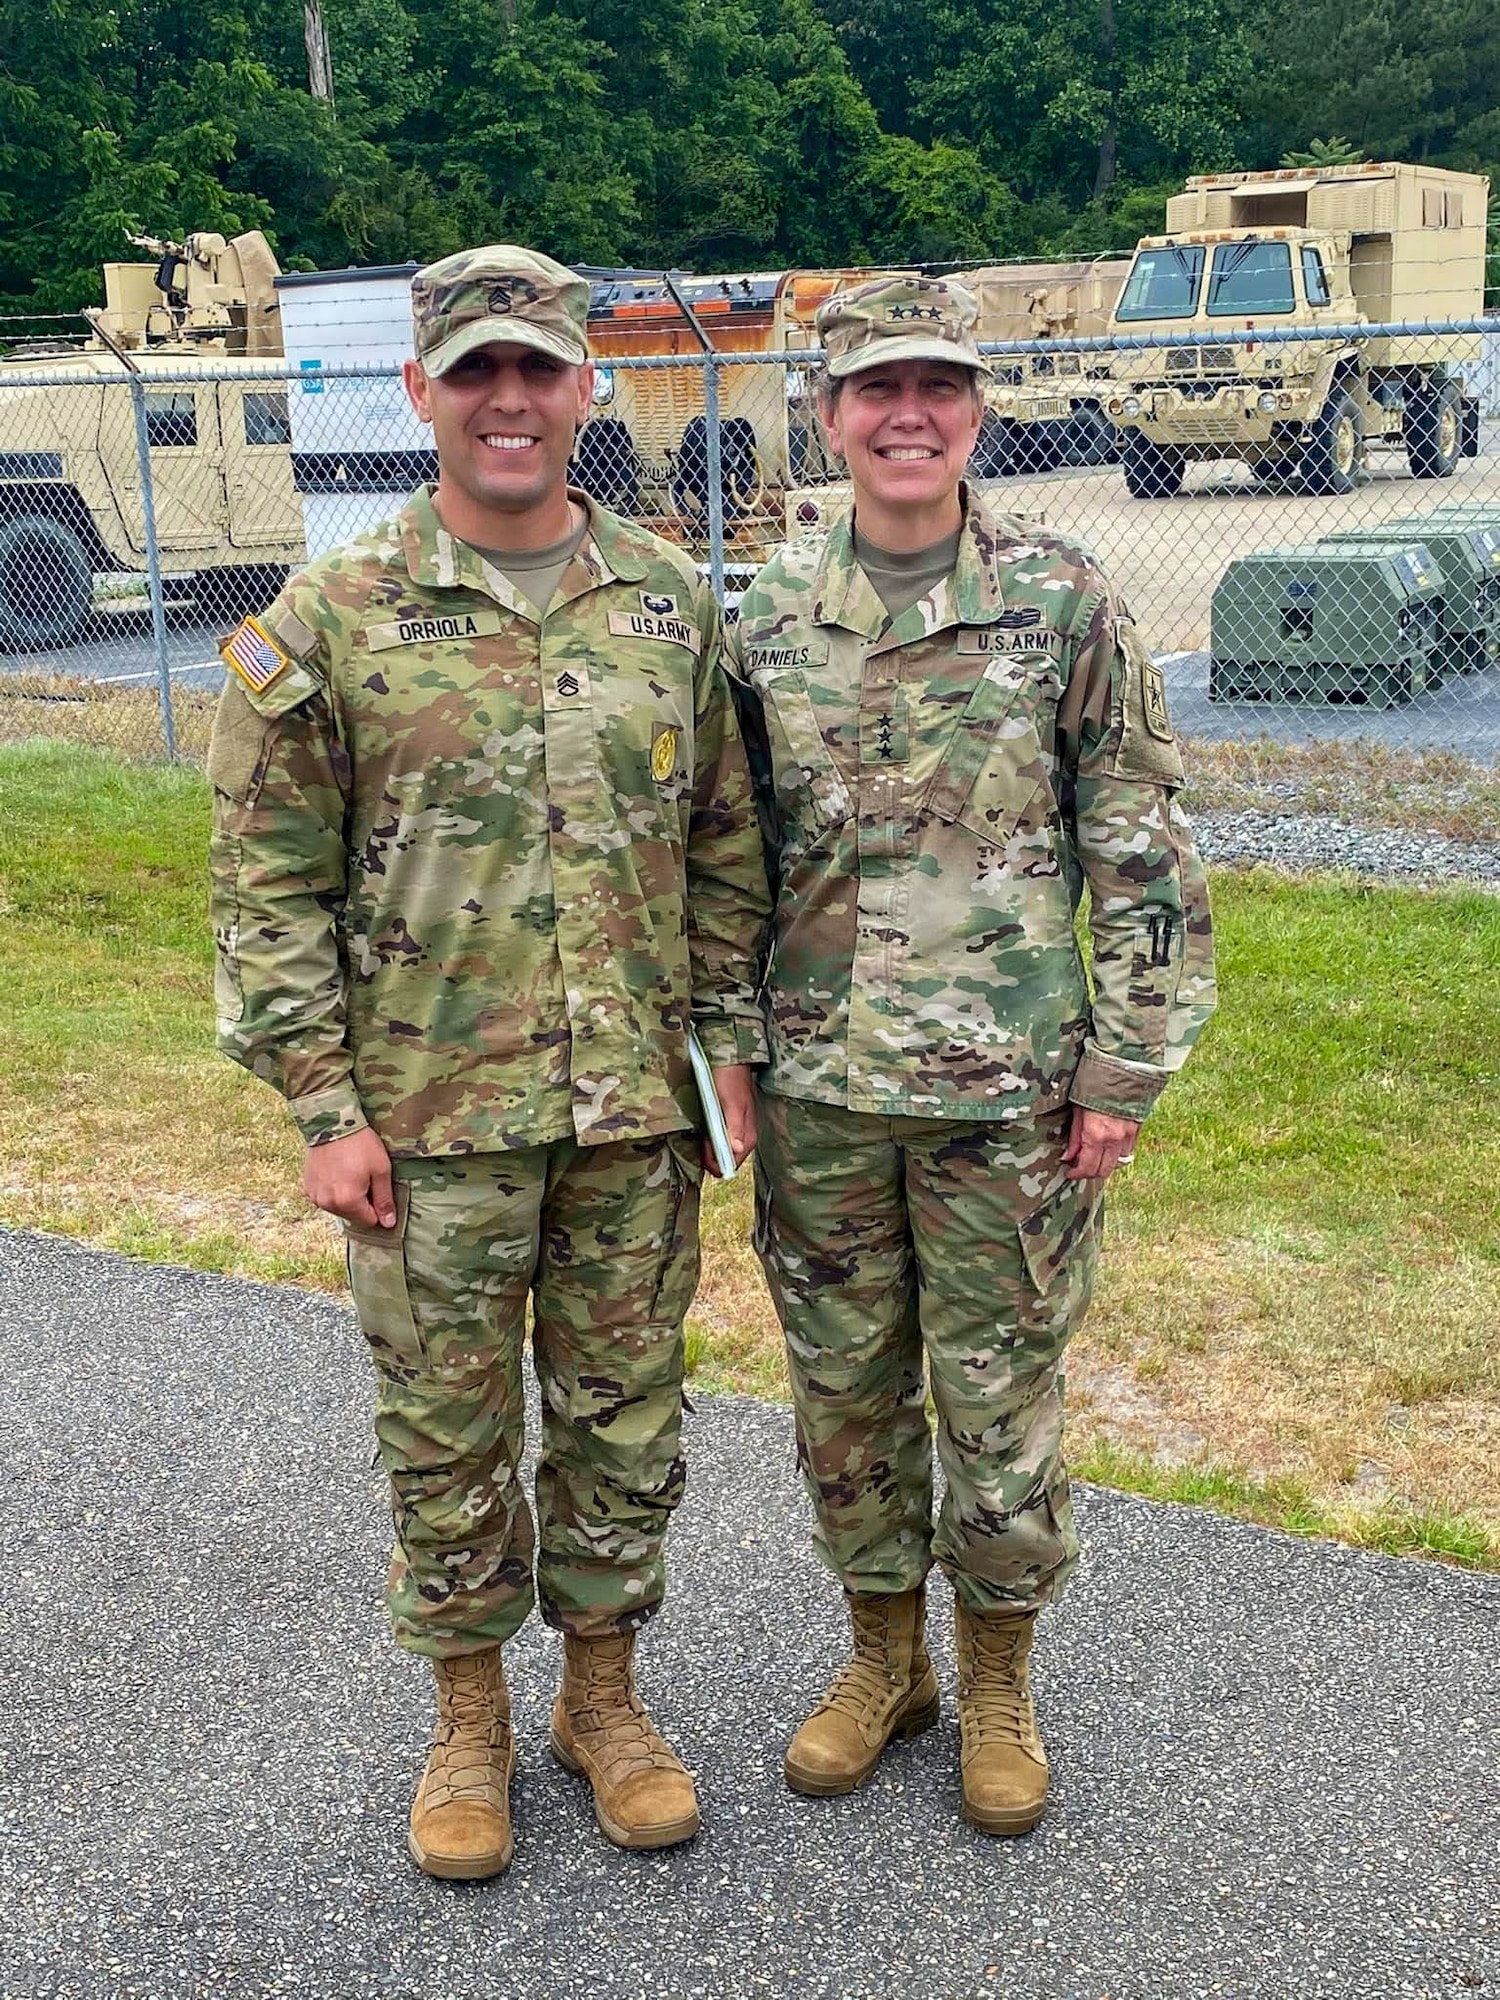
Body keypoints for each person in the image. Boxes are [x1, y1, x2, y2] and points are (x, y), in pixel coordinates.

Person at [208, 246, 770, 1878]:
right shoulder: (332, 617)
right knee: (446, 1437)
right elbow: (264, 885)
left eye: (540, 371)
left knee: (623, 1423)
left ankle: (603, 1700)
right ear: (421, 396)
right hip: (424, 1124)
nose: (511, 402)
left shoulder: (667, 601)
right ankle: (469, 1720)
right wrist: (320, 1105)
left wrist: (723, 1044)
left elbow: (729, 845)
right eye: (478, 375)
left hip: (628, 1118)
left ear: (587, 387)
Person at [726, 274, 1217, 1836]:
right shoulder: (761, 614)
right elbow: (721, 861)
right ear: (827, 417)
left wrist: (1125, 1070)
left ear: (980, 411)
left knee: (1000, 1403)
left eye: (938, 388)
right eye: (876, 391)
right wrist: (724, 1050)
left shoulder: (1063, 599)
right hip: (820, 1097)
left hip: (1008, 1100)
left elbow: (1140, 846)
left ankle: (999, 1673)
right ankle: (885, 1663)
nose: (909, 415)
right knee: (847, 1401)